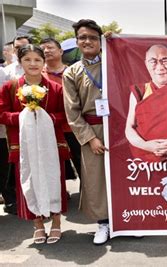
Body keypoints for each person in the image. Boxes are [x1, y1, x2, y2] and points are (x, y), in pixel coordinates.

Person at [0, 44, 68, 244]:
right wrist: (23, 116)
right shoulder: (10, 87)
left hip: (52, 145)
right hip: (23, 145)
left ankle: (56, 222)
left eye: (37, 60)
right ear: (20, 62)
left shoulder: (55, 88)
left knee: (55, 180)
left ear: (43, 62)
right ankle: (37, 224)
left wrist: (45, 117)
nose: (33, 64)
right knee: (28, 182)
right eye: (27, 59)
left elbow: (64, 114)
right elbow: (2, 113)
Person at [62, 19, 110, 245]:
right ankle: (103, 223)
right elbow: (72, 112)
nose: (88, 41)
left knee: (126, 175)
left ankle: (127, 220)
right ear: (77, 41)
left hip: (120, 128)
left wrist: (117, 43)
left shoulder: (114, 62)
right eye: (83, 37)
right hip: (93, 129)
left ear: (100, 41)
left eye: (93, 37)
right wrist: (90, 139)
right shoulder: (72, 72)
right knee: (95, 179)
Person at [40, 38, 81, 182]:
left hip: (73, 126)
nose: (46, 51)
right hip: (50, 127)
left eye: (50, 47)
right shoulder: (37, 75)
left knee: (80, 160)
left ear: (61, 51)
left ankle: (88, 195)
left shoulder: (74, 72)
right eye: (43, 48)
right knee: (54, 164)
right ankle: (60, 195)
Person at [0, 36, 32, 214]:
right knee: (16, 165)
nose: (21, 49)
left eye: (25, 46)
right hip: (13, 125)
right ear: (13, 50)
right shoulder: (8, 71)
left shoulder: (39, 67)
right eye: (18, 47)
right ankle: (16, 198)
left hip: (36, 124)